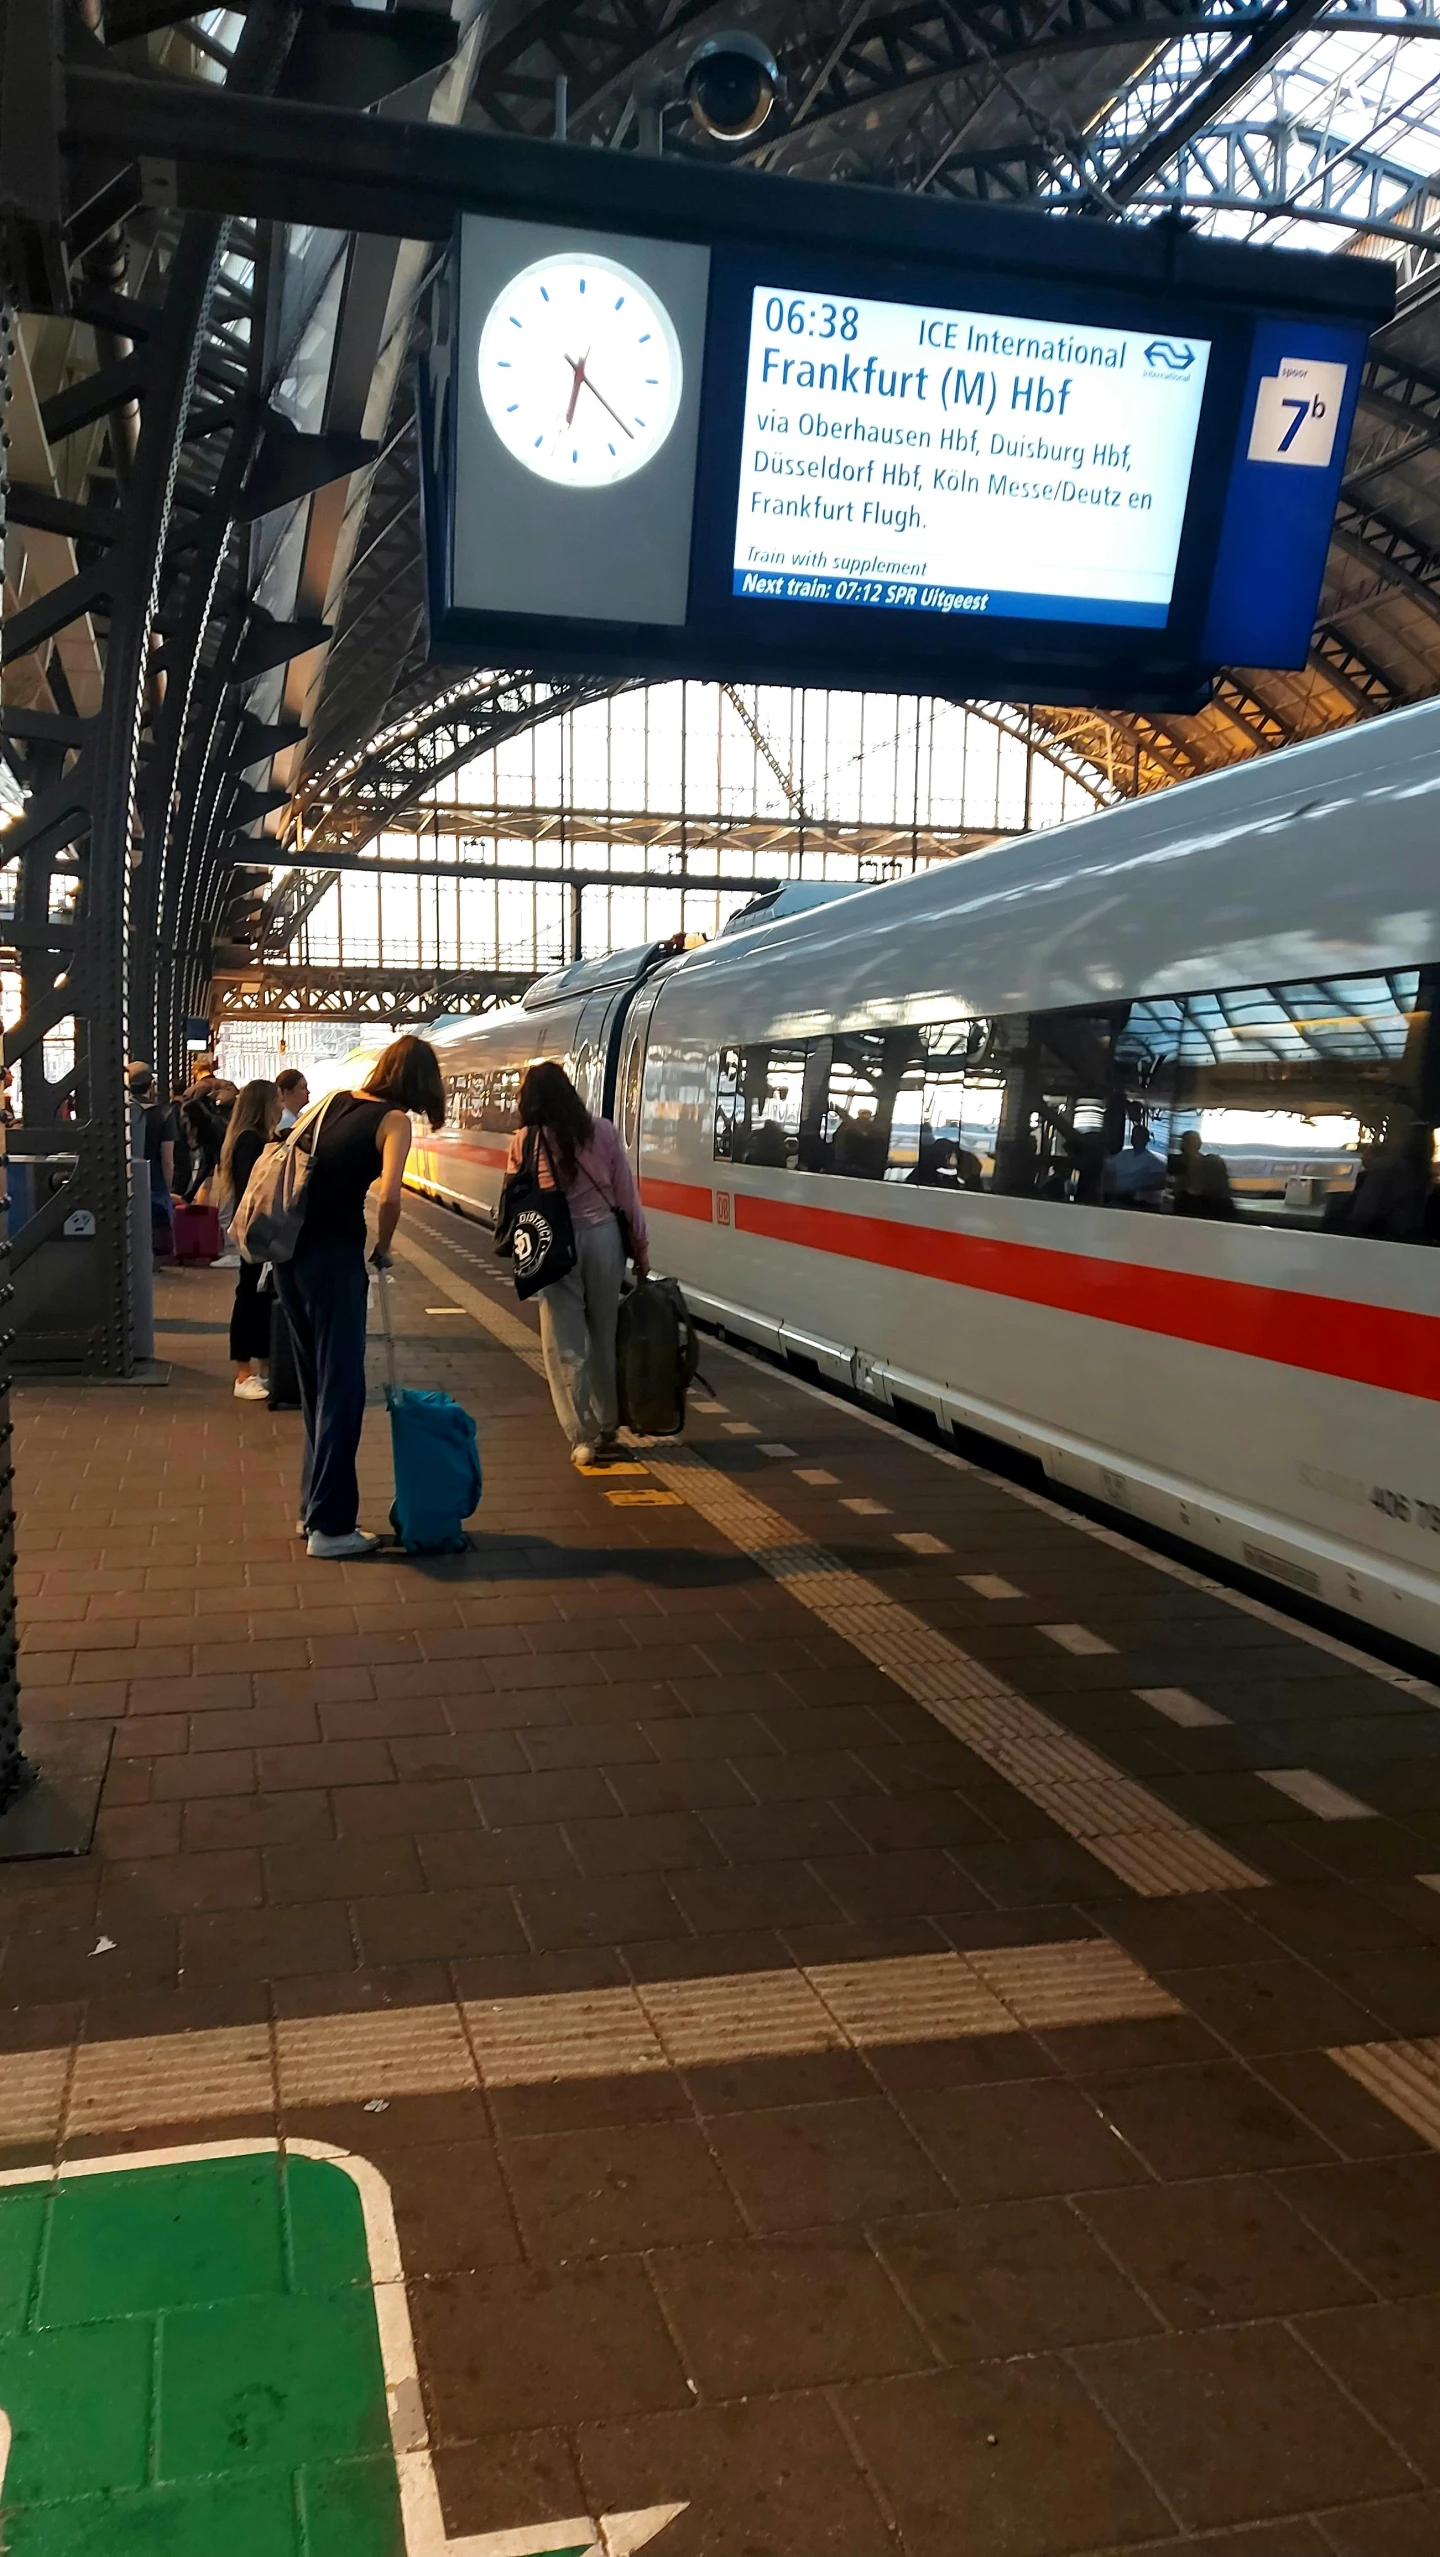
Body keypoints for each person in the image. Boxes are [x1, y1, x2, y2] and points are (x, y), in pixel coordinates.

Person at [272, 1034, 445, 1559]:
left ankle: (312, 1511)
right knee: (343, 1389)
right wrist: (385, 1247)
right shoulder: (394, 1121)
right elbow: (390, 1193)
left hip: (288, 1254)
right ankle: (331, 1528)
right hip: (333, 1261)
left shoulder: (333, 1102)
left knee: (317, 1389)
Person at [504, 1060, 649, 1470]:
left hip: (553, 1246)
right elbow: (627, 1196)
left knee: (565, 1344)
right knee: (604, 1334)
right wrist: (640, 1247)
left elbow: (514, 1201)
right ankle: (608, 1427)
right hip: (605, 1240)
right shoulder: (602, 1131)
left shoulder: (524, 1140)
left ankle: (582, 1438)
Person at [218, 1079, 281, 1400]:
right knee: (249, 1297)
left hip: (259, 1230)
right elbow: (252, 1188)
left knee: (259, 1298)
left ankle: (264, 1369)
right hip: (255, 1231)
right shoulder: (249, 1142)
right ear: (264, 1105)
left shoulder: (252, 1139)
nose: (281, 1107)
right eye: (277, 1101)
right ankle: (243, 1375)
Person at [127, 1063, 180, 1262]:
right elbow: (168, 1159)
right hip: (155, 1181)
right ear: (151, 1086)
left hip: (127, 1178)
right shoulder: (164, 1114)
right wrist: (167, 1186)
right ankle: (151, 1260)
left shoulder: (120, 1113)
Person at [1103, 1120, 1168, 1207]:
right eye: (1134, 1136)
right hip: (1114, 1196)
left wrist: (1140, 1190)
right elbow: (1108, 1167)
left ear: (1146, 1139)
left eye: (1138, 1136)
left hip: (1135, 1200)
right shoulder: (1123, 1154)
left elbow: (1161, 1181)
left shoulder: (1152, 1161)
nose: (1135, 1139)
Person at [275, 1067, 309, 1132]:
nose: (308, 1092)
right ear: (287, 1092)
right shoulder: (284, 1121)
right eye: (303, 1088)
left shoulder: (299, 1116)